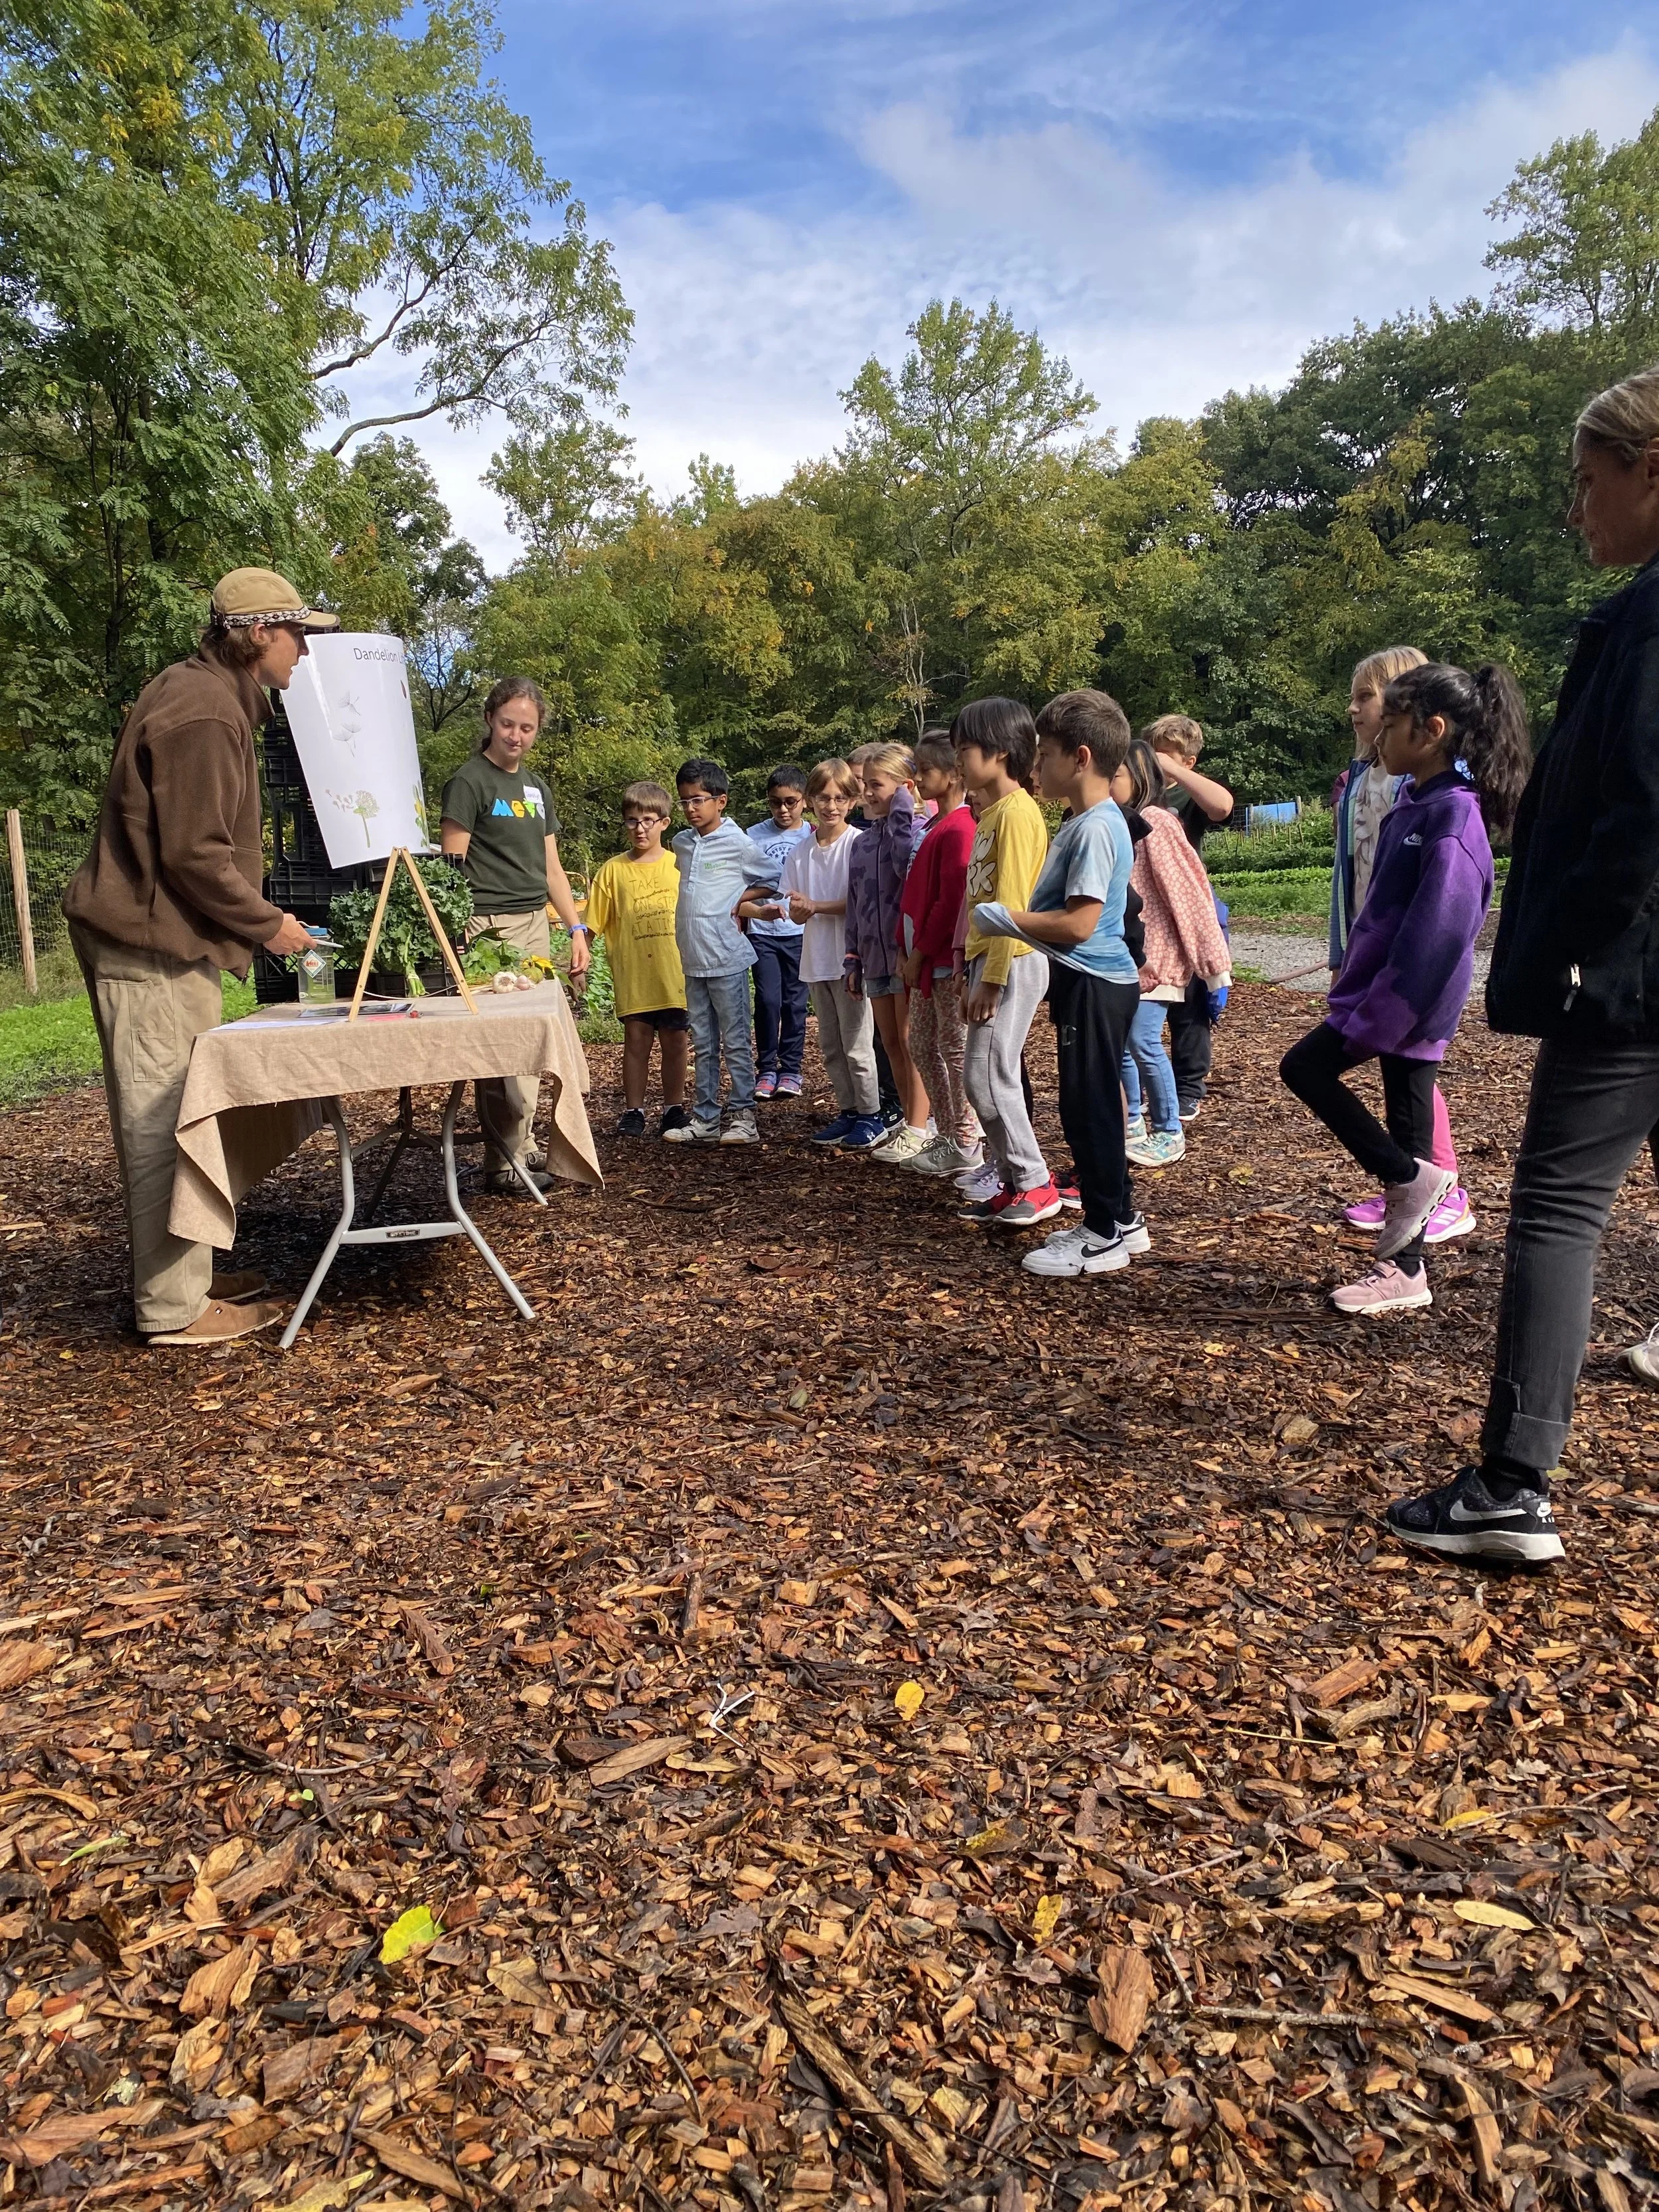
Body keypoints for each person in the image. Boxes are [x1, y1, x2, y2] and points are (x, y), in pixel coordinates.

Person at [1387, 367, 1659, 1564]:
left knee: (1556, 1206)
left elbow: (1636, 813)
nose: (1574, 510)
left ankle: (1512, 1480)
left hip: (1636, 973)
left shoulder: (1648, 620)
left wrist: (1568, 947)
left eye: (1584, 482)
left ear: (1648, 470)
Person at [62, 565, 332, 1345]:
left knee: (189, 1112)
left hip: (168, 942)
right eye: (297, 635)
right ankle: (173, 1309)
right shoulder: (207, 712)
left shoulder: (210, 695)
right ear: (257, 635)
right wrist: (270, 923)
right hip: (147, 946)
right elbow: (195, 855)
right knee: (162, 1122)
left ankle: (191, 1276)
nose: (304, 653)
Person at [1281, 660, 1529, 1319]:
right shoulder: (1418, 802)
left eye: (1389, 725)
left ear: (1431, 731)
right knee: (1411, 1129)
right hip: (1389, 1003)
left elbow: (1438, 935)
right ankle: (1404, 1269)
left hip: (1404, 1009)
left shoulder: (1451, 816)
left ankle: (1404, 1184)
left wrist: (1383, 1012)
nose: (1377, 738)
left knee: (1304, 1067)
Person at [972, 690, 1146, 1277]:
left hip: (1098, 982)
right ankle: (1121, 1216)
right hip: (1085, 984)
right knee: (1084, 1102)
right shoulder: (1083, 822)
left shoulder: (1097, 827)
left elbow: (1081, 922)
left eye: (1044, 754)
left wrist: (1007, 917)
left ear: (1081, 757)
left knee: (1088, 1107)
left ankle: (1103, 1233)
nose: (1036, 764)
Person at [1331, 646, 1472, 1246]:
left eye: (1369, 699)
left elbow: (1439, 907)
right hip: (1371, 950)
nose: (1357, 710)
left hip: (1404, 972)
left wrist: (1393, 983)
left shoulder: (1431, 794)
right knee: (1399, 1076)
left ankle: (1440, 1185)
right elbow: (1355, 872)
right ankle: (1409, 1180)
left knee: (1413, 1073)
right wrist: (1346, 949)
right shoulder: (1362, 779)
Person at [440, 678, 590, 1195]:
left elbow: (552, 868)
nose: (517, 735)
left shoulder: (535, 788)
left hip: (533, 923)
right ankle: (503, 1158)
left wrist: (574, 927)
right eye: (508, 724)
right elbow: (451, 868)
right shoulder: (470, 781)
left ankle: (520, 1147)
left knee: (531, 1044)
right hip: (487, 927)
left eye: (527, 728)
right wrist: (458, 936)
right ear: (489, 720)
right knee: (502, 1048)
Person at [953, 698, 1056, 1228]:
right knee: (981, 1078)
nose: (958, 761)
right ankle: (1014, 1179)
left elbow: (1011, 904)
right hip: (992, 960)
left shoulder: (1017, 813)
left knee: (990, 1076)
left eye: (964, 749)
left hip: (1012, 960)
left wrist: (990, 979)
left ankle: (1035, 1182)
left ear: (997, 751)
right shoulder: (991, 813)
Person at [1112, 739, 1230, 1171]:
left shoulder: (1156, 822)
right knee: (1125, 1046)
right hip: (1131, 959)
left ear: (1140, 777)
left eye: (1116, 776)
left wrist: (1213, 964)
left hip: (1157, 958)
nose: (1107, 784)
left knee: (1142, 1042)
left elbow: (1189, 895)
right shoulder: (1123, 822)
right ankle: (1131, 1124)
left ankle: (1168, 1130)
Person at [758, 759, 883, 1151]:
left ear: (852, 801)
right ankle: (847, 1111)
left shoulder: (858, 845)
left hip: (850, 959)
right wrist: (800, 909)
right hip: (815, 958)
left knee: (858, 1044)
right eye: (824, 798)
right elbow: (795, 903)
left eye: (840, 798)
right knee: (830, 1044)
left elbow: (860, 902)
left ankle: (872, 1114)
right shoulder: (801, 851)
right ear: (811, 801)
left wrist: (815, 906)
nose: (831, 806)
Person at [666, 757, 780, 1145]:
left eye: (698, 800)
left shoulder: (739, 843)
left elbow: (774, 878)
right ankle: (706, 1118)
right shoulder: (682, 843)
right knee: (702, 1040)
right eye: (684, 801)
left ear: (721, 801)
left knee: (734, 1039)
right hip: (693, 957)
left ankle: (744, 1116)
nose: (691, 809)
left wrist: (739, 898)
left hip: (727, 956)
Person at [583, 781, 690, 1138]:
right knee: (636, 1042)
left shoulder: (680, 865)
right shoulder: (612, 871)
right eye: (632, 821)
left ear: (665, 822)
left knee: (676, 1042)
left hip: (676, 973)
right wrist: (578, 960)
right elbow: (592, 924)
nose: (640, 828)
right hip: (635, 975)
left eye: (648, 820)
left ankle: (674, 1108)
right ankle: (634, 1110)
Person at [897, 731, 982, 1179]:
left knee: (954, 1046)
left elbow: (950, 901)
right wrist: (902, 944)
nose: (918, 779)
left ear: (953, 776)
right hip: (925, 959)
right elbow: (913, 895)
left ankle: (966, 1139)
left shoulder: (962, 827)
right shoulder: (934, 827)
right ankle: (950, 1133)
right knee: (922, 1043)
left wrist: (921, 952)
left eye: (926, 771)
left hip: (944, 960)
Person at [844, 742, 932, 1162]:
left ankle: (922, 1124)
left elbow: (903, 867)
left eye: (876, 785)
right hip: (873, 956)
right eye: (865, 785)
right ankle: (908, 1121)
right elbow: (856, 902)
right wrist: (852, 956)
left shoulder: (915, 831)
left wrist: (902, 808)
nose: (867, 793)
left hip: (903, 953)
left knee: (912, 1040)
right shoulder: (861, 844)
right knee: (891, 1043)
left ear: (905, 787)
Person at [1145, 715, 1233, 1118]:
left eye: (1164, 752)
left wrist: (1174, 771)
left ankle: (1188, 1087)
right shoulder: (1141, 793)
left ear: (1189, 761)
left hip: (1188, 905)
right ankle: (1152, 1086)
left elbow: (1222, 807)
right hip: (1147, 908)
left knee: (1192, 1000)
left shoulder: (1187, 797)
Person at [745, 765, 813, 1100]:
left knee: (795, 1002)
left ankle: (791, 1070)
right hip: (763, 931)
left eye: (791, 802)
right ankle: (767, 1069)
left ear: (804, 801)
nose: (783, 810)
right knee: (768, 1000)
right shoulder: (753, 835)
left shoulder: (813, 834)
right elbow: (742, 882)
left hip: (800, 933)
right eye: (776, 803)